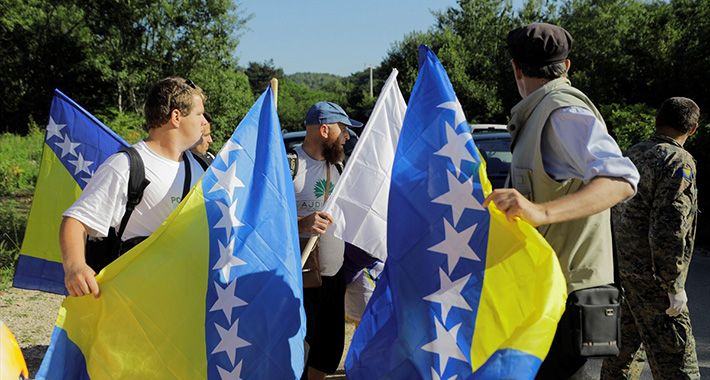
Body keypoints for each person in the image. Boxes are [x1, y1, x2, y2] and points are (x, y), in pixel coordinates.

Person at [482, 23, 640, 379]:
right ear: (566, 66)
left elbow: (621, 178)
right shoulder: (538, 113)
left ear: (516, 68)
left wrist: (541, 211)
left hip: (570, 300)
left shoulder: (561, 112)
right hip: (549, 296)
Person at [59, 76, 208, 298]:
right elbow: (75, 221)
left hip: (185, 298)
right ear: (176, 116)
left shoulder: (201, 167)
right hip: (136, 299)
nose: (205, 121)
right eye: (199, 114)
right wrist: (75, 267)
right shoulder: (126, 166)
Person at [600, 97, 701, 379]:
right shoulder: (678, 160)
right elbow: (670, 224)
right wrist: (673, 283)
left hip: (623, 274)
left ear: (656, 122)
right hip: (653, 280)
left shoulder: (633, 153)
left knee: (621, 358)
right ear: (692, 129)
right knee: (678, 363)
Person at [293, 101, 362, 380]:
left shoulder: (341, 167)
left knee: (328, 352)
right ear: (324, 130)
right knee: (299, 352)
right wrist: (303, 223)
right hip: (298, 280)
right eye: (343, 129)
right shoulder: (289, 165)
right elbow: (264, 223)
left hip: (334, 277)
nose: (347, 136)